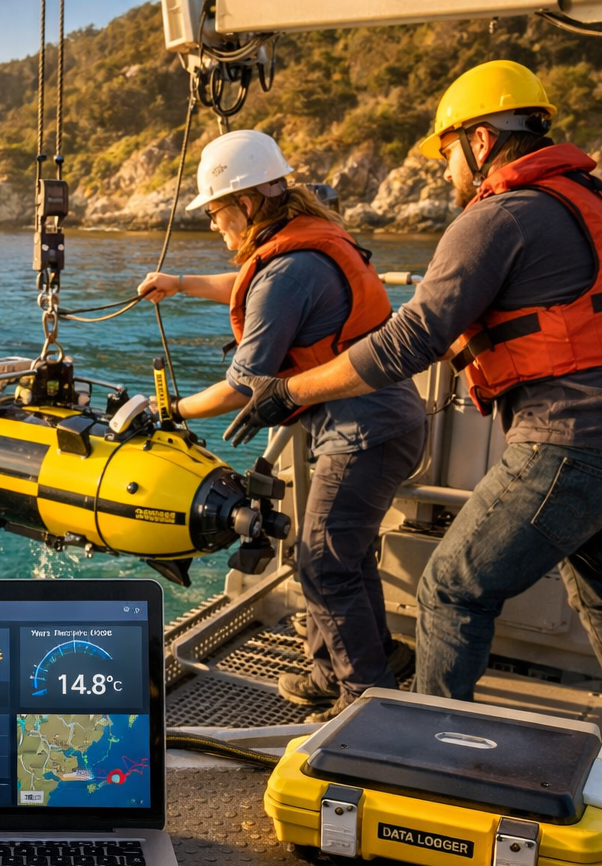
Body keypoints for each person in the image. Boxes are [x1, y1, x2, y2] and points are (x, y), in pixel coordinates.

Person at [221, 61, 602, 736]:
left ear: (479, 142)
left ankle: (432, 760)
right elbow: (562, 318)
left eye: (447, 154)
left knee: (450, 591)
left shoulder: (498, 216)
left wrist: (286, 391)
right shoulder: (592, 199)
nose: (446, 174)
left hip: (576, 443)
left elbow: (401, 347)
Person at [136, 130, 425, 723]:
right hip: (384, 420)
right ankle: (357, 665)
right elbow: (253, 290)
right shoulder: (301, 246)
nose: (214, 226)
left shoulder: (288, 269)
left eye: (216, 212)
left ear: (246, 203)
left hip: (362, 432)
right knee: (342, 553)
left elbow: (243, 385)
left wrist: (170, 412)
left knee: (322, 561)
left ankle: (364, 704)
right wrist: (181, 282)